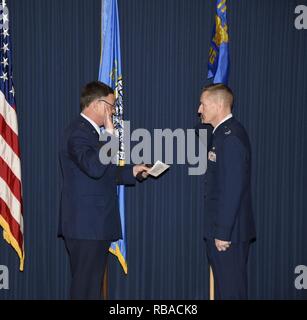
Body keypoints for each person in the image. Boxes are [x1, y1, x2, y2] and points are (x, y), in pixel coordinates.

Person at [58, 81, 149, 300]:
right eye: (112, 105)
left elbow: (103, 172)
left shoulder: (89, 132)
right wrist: (110, 134)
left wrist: (133, 171)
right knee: (85, 289)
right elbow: (96, 167)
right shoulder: (78, 132)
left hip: (94, 225)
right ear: (99, 105)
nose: (114, 110)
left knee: (92, 288)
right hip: (86, 226)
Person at [197, 83, 256, 300]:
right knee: (224, 291)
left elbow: (233, 187)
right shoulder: (221, 134)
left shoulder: (231, 138)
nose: (199, 110)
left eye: (202, 104)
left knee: (232, 293)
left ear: (219, 104)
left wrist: (222, 232)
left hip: (229, 234)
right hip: (223, 231)